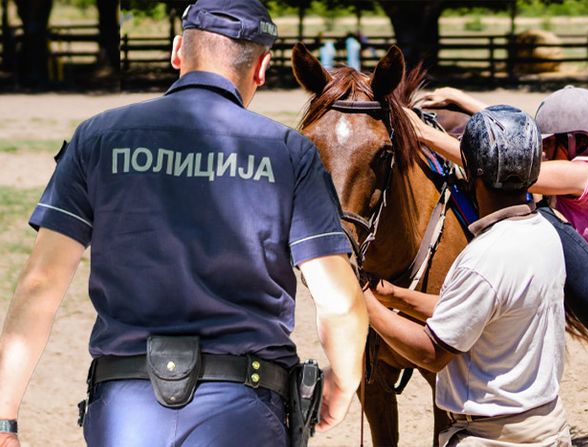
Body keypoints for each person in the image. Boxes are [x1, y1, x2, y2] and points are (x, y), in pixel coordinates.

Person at [0, 1, 369, 446]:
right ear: (262, 67)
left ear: (178, 51)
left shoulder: (97, 138)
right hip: (244, 410)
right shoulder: (289, 154)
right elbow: (339, 302)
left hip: (126, 411)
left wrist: (5, 418)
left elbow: (42, 283)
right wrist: (343, 385)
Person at [410, 86, 588, 447]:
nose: (541, 151)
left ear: (575, 141)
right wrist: (462, 99)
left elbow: (508, 161)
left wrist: (421, 132)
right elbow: (516, 142)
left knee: (535, 214)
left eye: (548, 143)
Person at [364, 105, 572, 446]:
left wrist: (366, 305)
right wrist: (396, 296)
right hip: (545, 427)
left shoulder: (482, 257)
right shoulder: (545, 234)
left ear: (471, 175)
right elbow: (477, 307)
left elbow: (432, 353)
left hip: (493, 437)